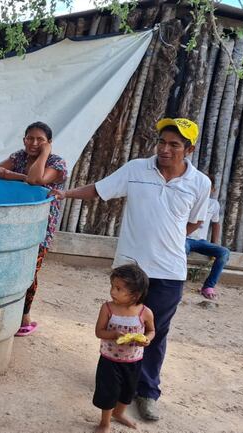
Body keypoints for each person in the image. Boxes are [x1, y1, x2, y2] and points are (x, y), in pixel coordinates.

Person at [50, 117, 210, 421]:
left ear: (188, 149)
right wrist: (65, 194)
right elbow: (99, 189)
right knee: (121, 327)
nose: (164, 148)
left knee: (155, 333)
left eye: (174, 144)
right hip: (131, 269)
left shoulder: (200, 182)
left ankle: (147, 392)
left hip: (169, 271)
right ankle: (117, 384)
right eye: (162, 142)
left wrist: (166, 237)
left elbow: (194, 222)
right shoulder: (137, 169)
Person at [0, 121, 67, 337]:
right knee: (10, 268)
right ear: (23, 139)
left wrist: (45, 154)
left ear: (49, 143)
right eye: (29, 138)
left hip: (40, 229)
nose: (33, 143)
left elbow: (36, 180)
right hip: (15, 224)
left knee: (29, 272)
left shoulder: (57, 163)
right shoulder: (19, 157)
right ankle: (8, 312)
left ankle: (25, 317)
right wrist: (21, 176)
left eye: (40, 140)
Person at [93, 264, 155, 433]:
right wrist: (113, 335)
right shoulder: (108, 308)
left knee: (128, 392)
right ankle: (104, 422)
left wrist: (147, 339)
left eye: (118, 288)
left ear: (136, 294)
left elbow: (151, 331)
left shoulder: (145, 313)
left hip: (134, 361)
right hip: (109, 360)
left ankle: (119, 414)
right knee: (108, 392)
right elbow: (99, 332)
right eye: (112, 286)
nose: (113, 291)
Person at [185, 174, 229, 299]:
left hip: (201, 242)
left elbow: (216, 224)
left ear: (212, 189)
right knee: (182, 249)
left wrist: (214, 243)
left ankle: (208, 286)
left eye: (208, 187)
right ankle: (177, 283)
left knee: (224, 252)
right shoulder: (188, 200)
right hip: (185, 239)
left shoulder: (213, 204)